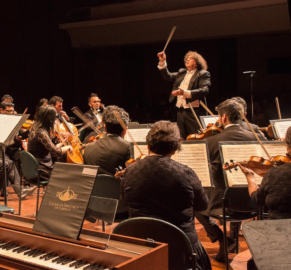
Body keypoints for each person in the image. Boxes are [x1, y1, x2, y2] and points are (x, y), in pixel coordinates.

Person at [120, 121, 211, 270]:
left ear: (148, 146)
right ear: (175, 149)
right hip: (181, 247)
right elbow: (203, 205)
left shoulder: (130, 171)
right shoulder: (185, 173)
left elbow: (125, 203)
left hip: (141, 245)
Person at [195, 99, 257, 262]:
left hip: (224, 204)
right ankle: (229, 242)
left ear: (223, 118)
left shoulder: (210, 141)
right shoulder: (257, 137)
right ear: (243, 116)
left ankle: (223, 239)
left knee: (194, 201)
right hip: (254, 201)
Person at [237, 126, 291, 270]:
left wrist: (250, 177)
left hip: (280, 238)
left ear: (287, 146)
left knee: (253, 264)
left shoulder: (276, 173)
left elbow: (257, 199)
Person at [157, 51, 210, 139]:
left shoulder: (203, 74)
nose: (187, 59)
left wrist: (184, 92)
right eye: (187, 58)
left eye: (191, 58)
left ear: (197, 62)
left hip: (194, 111)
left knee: (197, 137)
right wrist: (162, 62)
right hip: (180, 111)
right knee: (181, 138)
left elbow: (204, 90)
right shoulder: (182, 73)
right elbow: (168, 76)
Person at [28, 105, 72, 181]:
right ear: (49, 119)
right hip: (43, 170)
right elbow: (56, 151)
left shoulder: (36, 129)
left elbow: (49, 147)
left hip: (37, 168)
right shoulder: (41, 133)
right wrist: (68, 147)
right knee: (69, 176)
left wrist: (62, 143)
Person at [83, 106, 131, 175]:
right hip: (115, 185)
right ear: (124, 131)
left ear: (105, 128)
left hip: (93, 185)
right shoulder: (127, 146)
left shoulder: (88, 148)